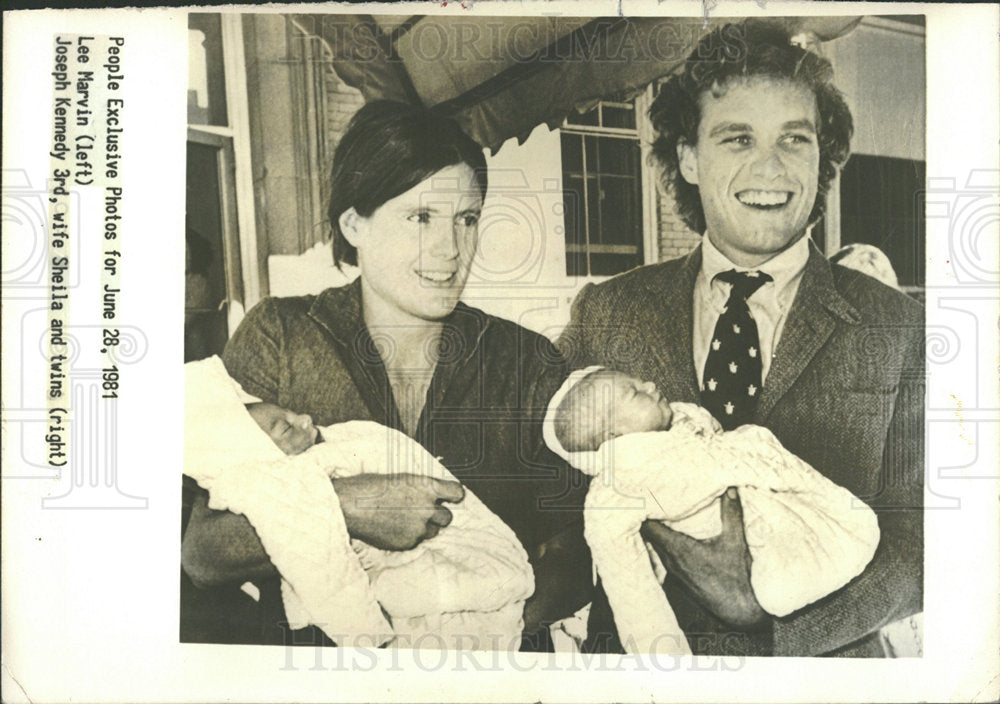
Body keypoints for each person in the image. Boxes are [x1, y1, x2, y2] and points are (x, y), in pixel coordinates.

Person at [558, 21, 924, 657]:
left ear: (823, 158)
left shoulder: (900, 329)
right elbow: (538, 491)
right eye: (737, 138)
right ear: (688, 158)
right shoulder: (608, 311)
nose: (769, 166)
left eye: (795, 139)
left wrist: (772, 618)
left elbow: (932, 539)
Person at [181, 100, 590, 649]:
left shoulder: (524, 360)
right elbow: (204, 553)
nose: (450, 249)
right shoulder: (280, 336)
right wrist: (350, 505)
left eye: (466, 219)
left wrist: (484, 644)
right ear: (355, 223)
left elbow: (576, 552)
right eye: (420, 218)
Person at [543, 366, 880, 655]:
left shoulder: (684, 418)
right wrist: (662, 655)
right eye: (634, 392)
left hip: (762, 504)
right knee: (782, 578)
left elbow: (716, 435)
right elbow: (628, 585)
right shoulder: (614, 491)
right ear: (613, 434)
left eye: (640, 380)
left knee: (823, 525)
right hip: (724, 561)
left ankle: (836, 538)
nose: (650, 384)